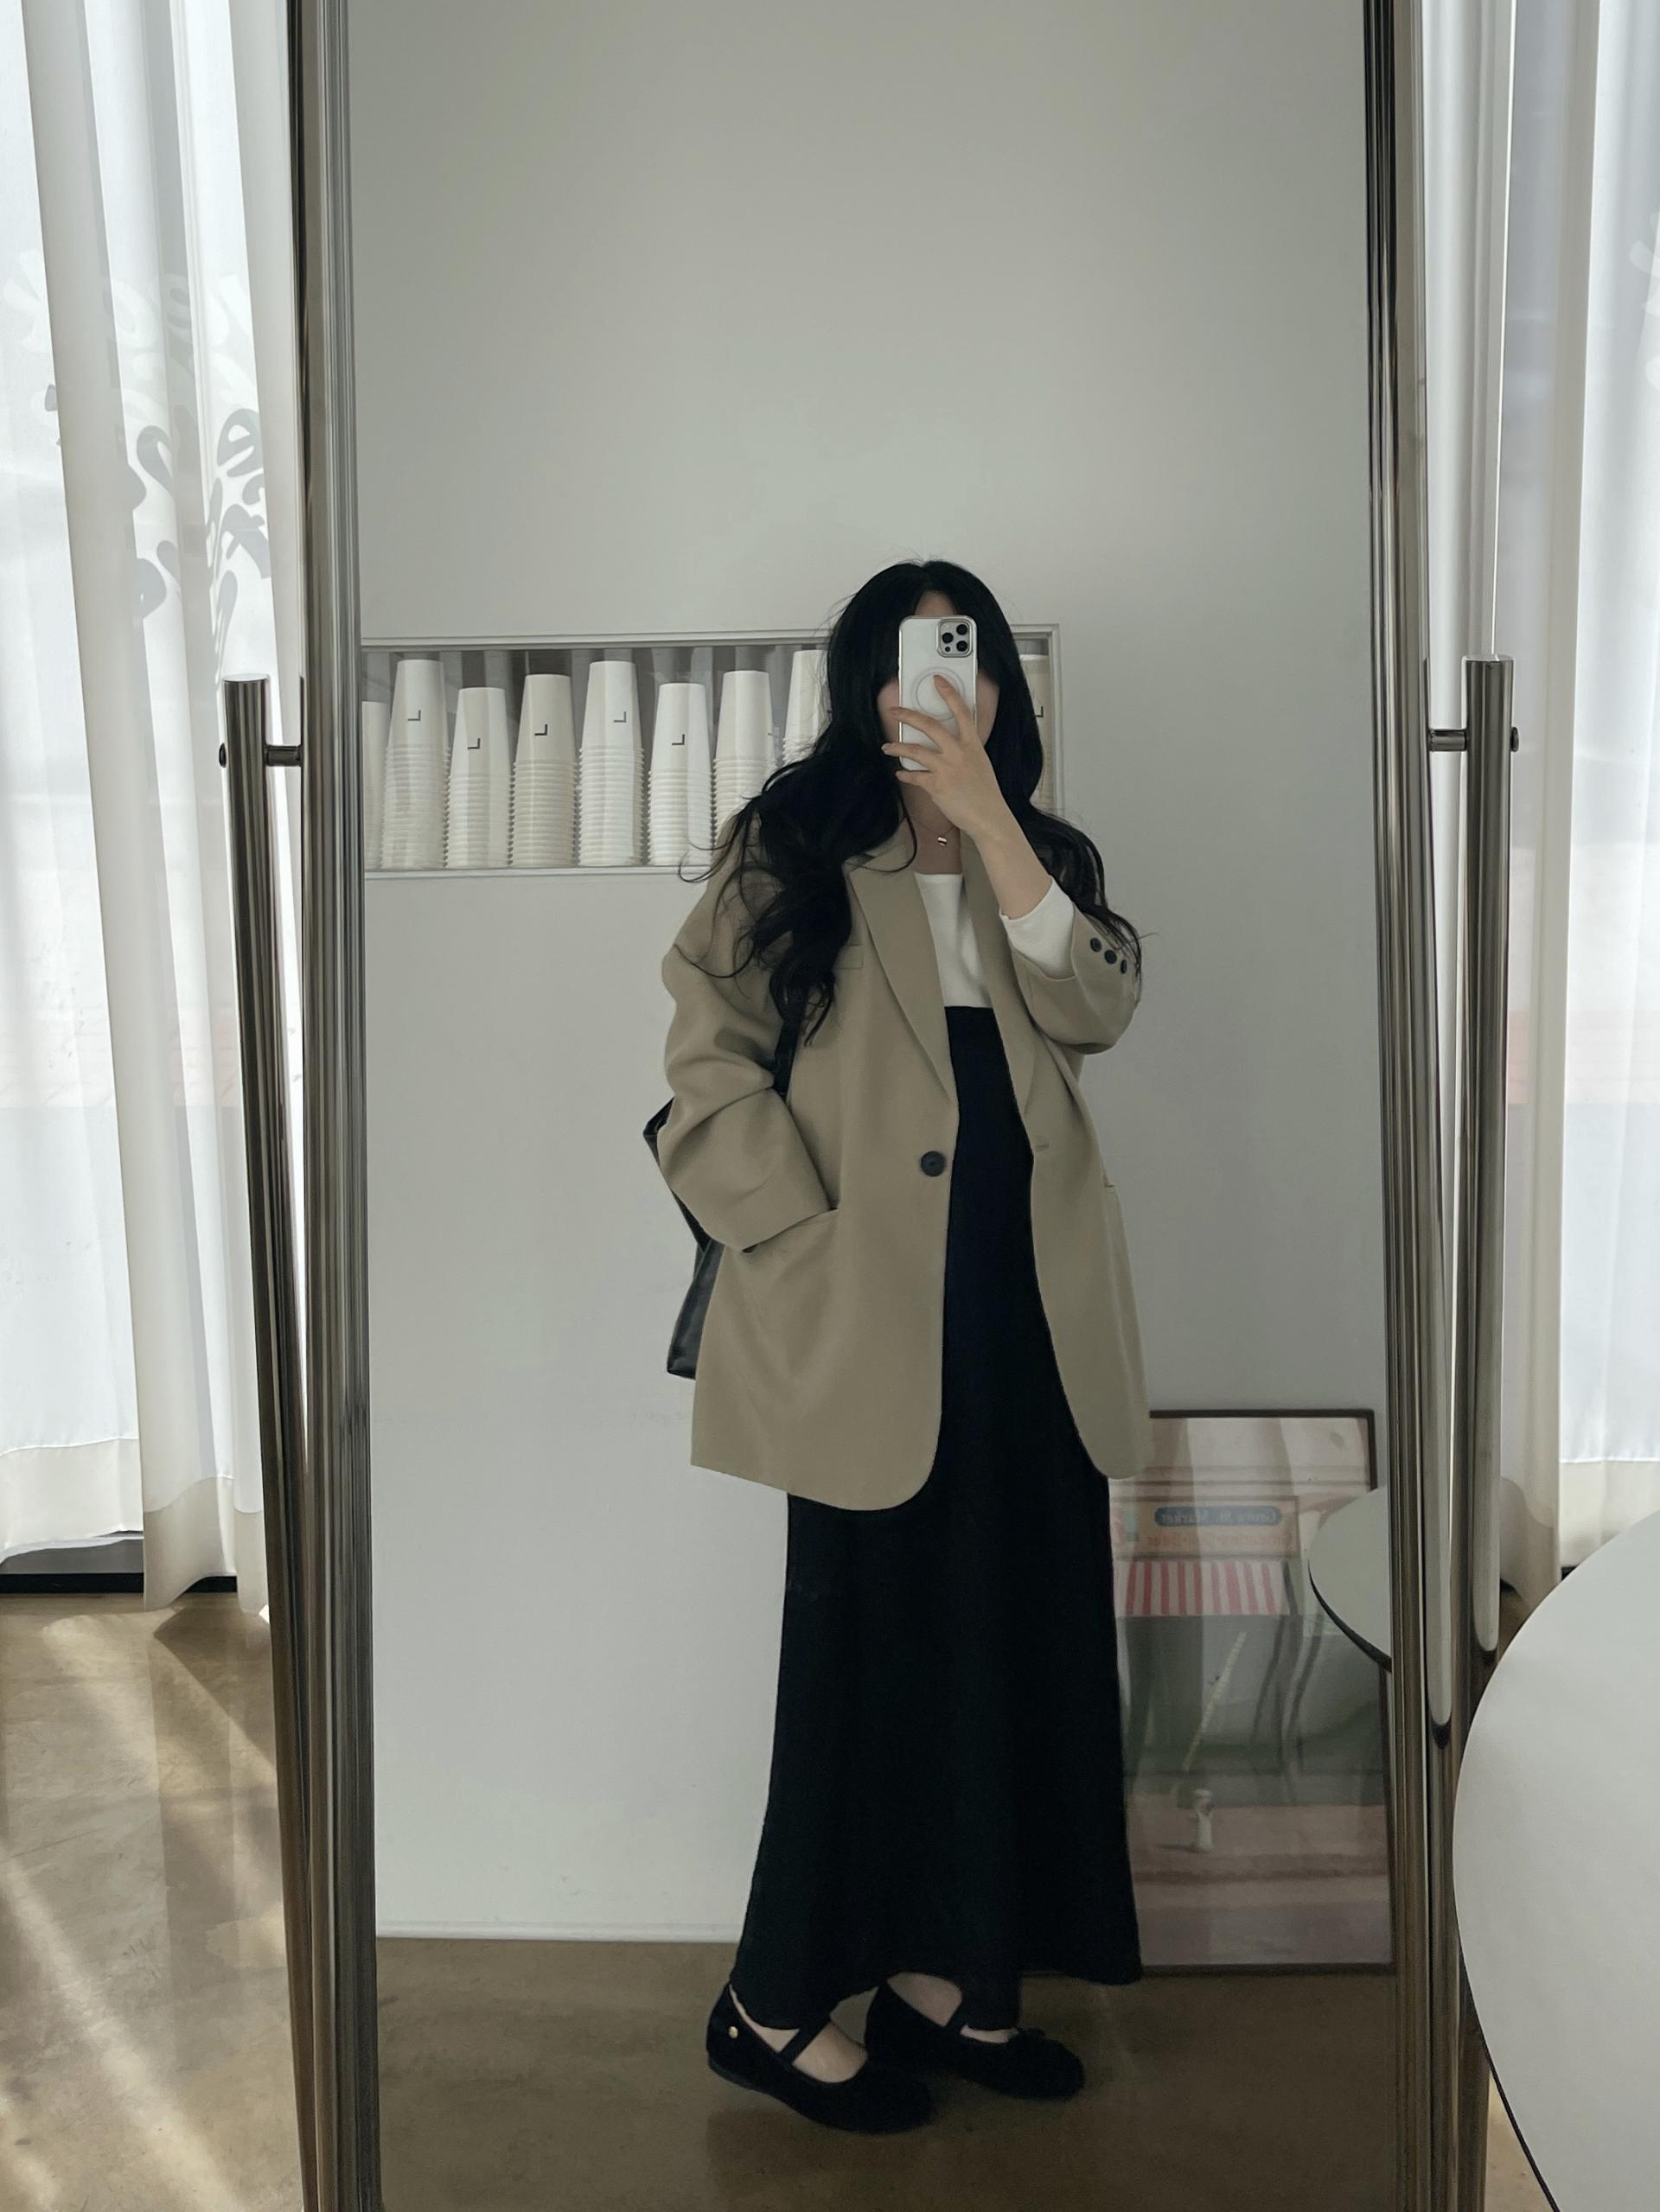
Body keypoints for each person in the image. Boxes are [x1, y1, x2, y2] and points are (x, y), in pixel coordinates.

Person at [655, 558, 1152, 2134]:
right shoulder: (793, 846)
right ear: (862, 681)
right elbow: (706, 1054)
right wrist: (792, 1230)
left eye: (965, 655)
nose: (935, 684)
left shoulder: (1042, 858)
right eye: (907, 657)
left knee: (1017, 1644)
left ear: (999, 684)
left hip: (1031, 1316)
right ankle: (771, 2007)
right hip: (864, 1314)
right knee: (863, 1664)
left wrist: (991, 821)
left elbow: (1100, 1010)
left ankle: (950, 1983)